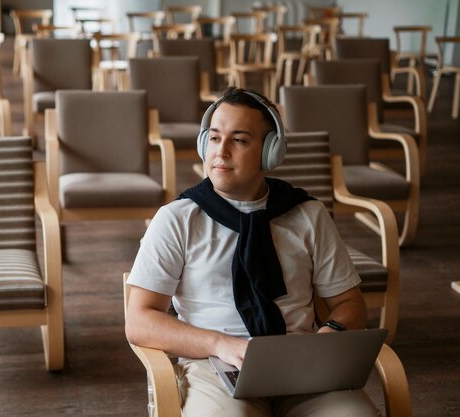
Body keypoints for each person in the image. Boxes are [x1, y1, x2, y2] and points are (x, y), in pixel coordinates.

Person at [125, 87, 379, 416]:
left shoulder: (306, 214)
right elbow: (139, 320)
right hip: (212, 365)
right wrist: (220, 343)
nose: (222, 151)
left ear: (270, 151)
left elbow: (350, 303)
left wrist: (328, 335)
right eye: (214, 138)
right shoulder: (178, 219)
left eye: (240, 140)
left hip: (301, 366)